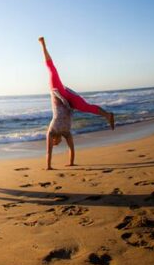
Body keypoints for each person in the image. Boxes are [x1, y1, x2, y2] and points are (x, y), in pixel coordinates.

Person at [39, 36, 115, 170]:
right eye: (56, 143)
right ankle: (107, 115)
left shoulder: (51, 131)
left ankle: (43, 45)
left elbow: (48, 151)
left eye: (55, 143)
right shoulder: (66, 132)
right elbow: (72, 150)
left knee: (51, 68)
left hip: (60, 93)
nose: (55, 143)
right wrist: (71, 163)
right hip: (68, 100)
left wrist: (48, 166)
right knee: (86, 107)